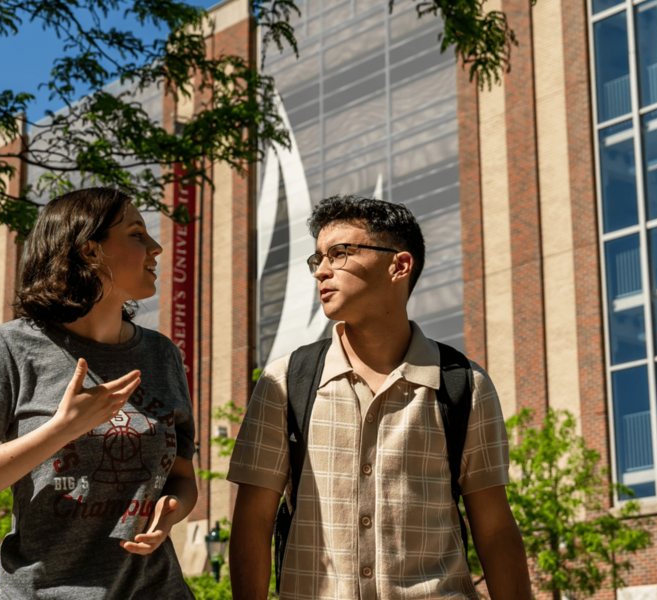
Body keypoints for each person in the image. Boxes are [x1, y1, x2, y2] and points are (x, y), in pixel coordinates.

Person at [227, 195, 529, 600]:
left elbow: (494, 529)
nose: (322, 272)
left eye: (340, 253)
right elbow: (252, 523)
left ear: (399, 266)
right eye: (318, 259)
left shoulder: (463, 384)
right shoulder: (284, 381)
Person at [0, 187, 198, 599]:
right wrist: (62, 429)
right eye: (136, 234)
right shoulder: (11, 347)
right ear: (90, 252)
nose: (156, 247)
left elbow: (183, 479)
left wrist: (172, 512)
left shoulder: (162, 354)